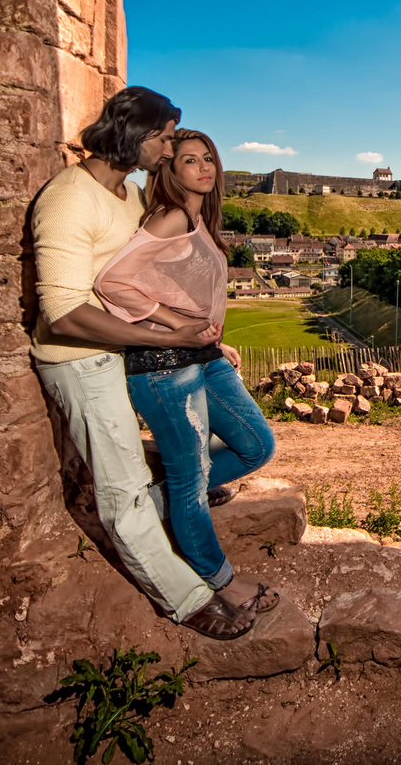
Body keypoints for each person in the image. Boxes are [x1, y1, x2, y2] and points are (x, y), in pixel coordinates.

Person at [28, 88, 255, 640]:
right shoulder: (68, 199)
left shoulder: (128, 196)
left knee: (182, 464)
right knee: (122, 489)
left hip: (125, 352)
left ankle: (181, 496)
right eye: (163, 135)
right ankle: (187, 600)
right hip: (79, 360)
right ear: (132, 132)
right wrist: (163, 335)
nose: (169, 145)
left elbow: (146, 280)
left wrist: (193, 340)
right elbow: (62, 313)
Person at [93, 129, 280, 620]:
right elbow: (113, 281)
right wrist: (178, 324)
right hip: (163, 366)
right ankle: (219, 579)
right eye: (190, 160)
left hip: (202, 356)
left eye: (209, 159)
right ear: (170, 171)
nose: (204, 168)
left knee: (257, 444)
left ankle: (158, 503)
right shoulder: (173, 216)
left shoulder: (198, 220)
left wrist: (213, 338)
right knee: (192, 478)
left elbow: (180, 286)